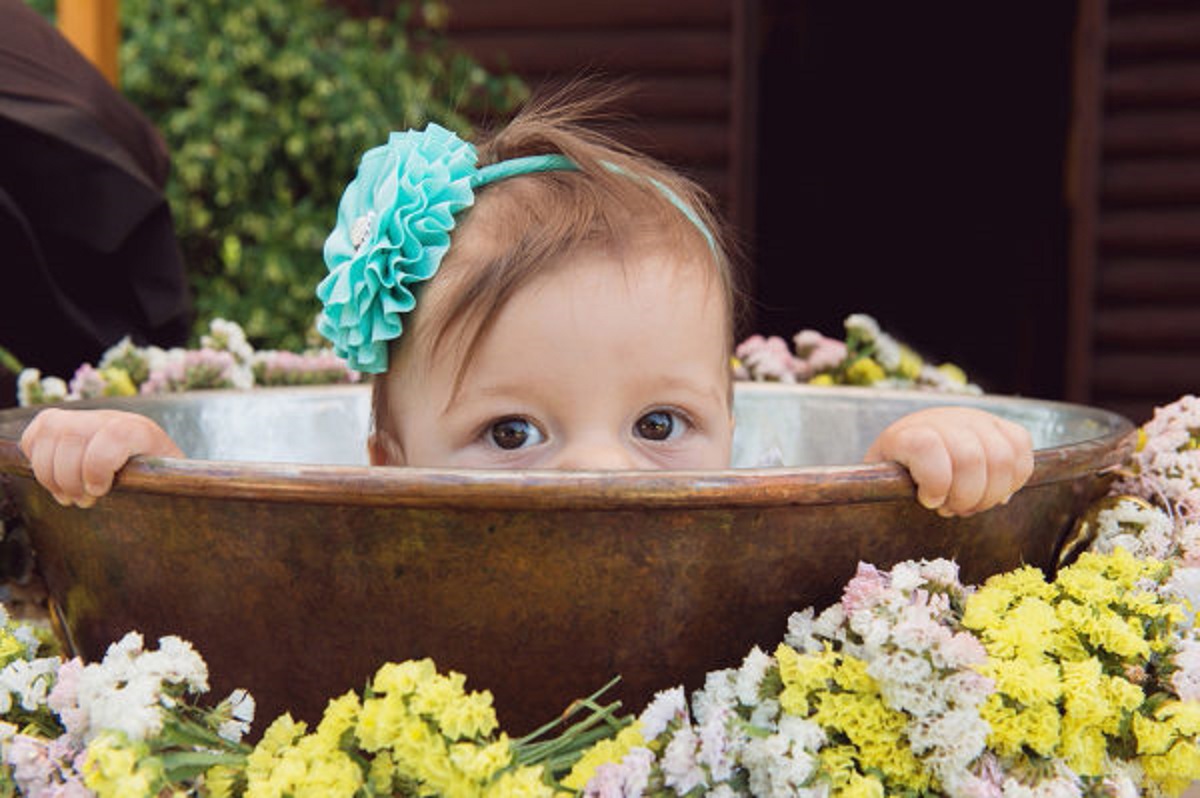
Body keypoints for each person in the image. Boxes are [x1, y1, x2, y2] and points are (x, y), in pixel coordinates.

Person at [18, 91, 1034, 515]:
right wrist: (128, 458)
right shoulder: (367, 531)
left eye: (659, 422)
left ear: (738, 434)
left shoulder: (742, 541)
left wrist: (923, 454)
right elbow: (234, 539)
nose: (599, 471)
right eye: (510, 431)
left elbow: (834, 539)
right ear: (388, 460)